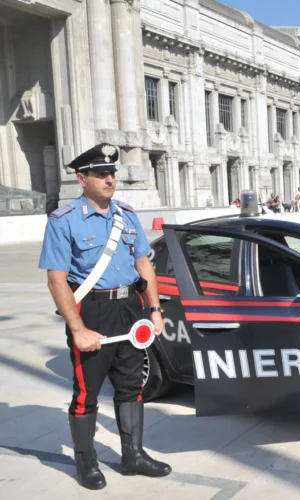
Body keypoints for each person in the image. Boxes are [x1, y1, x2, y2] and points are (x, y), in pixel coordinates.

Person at [38, 144, 171, 490]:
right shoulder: (63, 221)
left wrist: (154, 310)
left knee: (131, 385)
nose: (110, 178)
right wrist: (78, 328)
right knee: (87, 392)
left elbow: (145, 265)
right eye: (101, 174)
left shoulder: (126, 215)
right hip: (92, 310)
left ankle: (133, 455)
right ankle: (86, 462)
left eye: (111, 173)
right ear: (82, 179)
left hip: (130, 307)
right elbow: (56, 279)